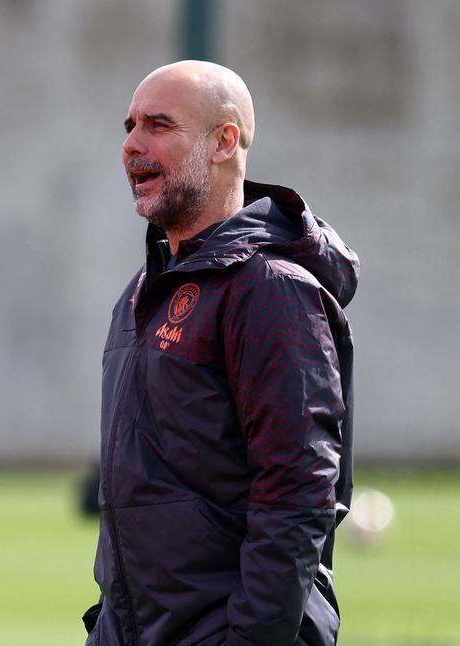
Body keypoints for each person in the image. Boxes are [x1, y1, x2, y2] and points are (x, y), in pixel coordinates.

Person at [83, 61, 358, 645]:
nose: (132, 145)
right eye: (130, 126)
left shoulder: (272, 290)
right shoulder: (141, 291)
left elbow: (298, 493)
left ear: (223, 141)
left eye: (159, 125)